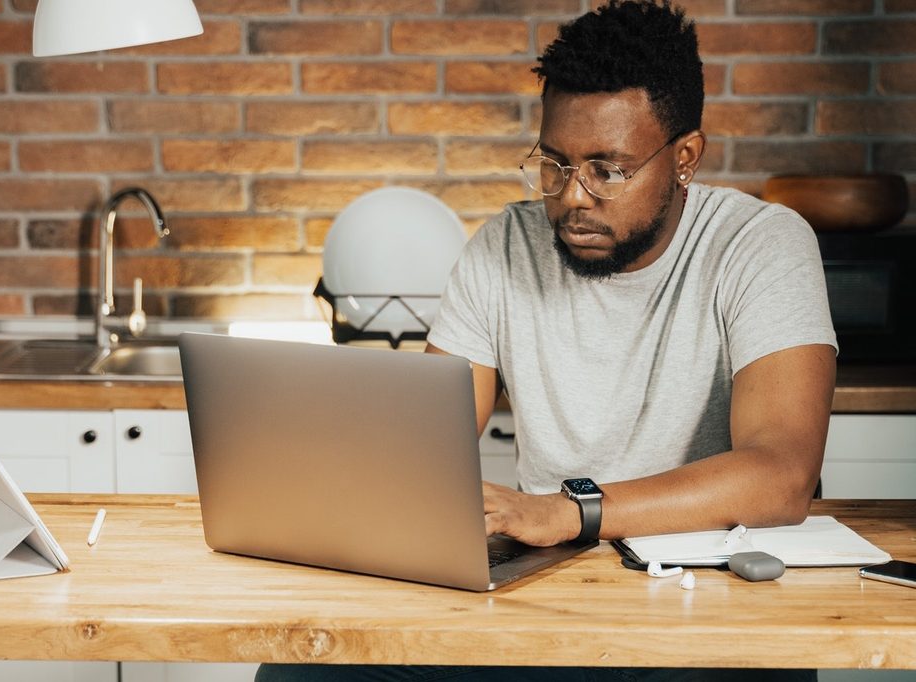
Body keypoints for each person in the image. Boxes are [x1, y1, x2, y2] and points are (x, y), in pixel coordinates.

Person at [257, 1, 836, 680]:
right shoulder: (506, 245)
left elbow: (780, 475)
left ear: (685, 158)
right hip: (545, 587)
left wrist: (567, 512)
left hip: (703, 599)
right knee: (306, 669)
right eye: (554, 163)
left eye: (607, 169)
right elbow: (420, 451)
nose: (573, 196)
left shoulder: (760, 245)